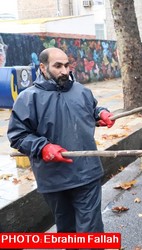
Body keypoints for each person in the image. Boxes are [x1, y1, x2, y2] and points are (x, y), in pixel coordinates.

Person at [7, 47, 115, 233]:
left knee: (91, 230)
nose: (65, 71)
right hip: (53, 179)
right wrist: (43, 147)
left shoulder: (82, 92)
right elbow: (18, 135)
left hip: (87, 172)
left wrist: (101, 113)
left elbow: (92, 110)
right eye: (58, 66)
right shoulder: (28, 98)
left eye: (67, 65)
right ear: (43, 67)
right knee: (67, 230)